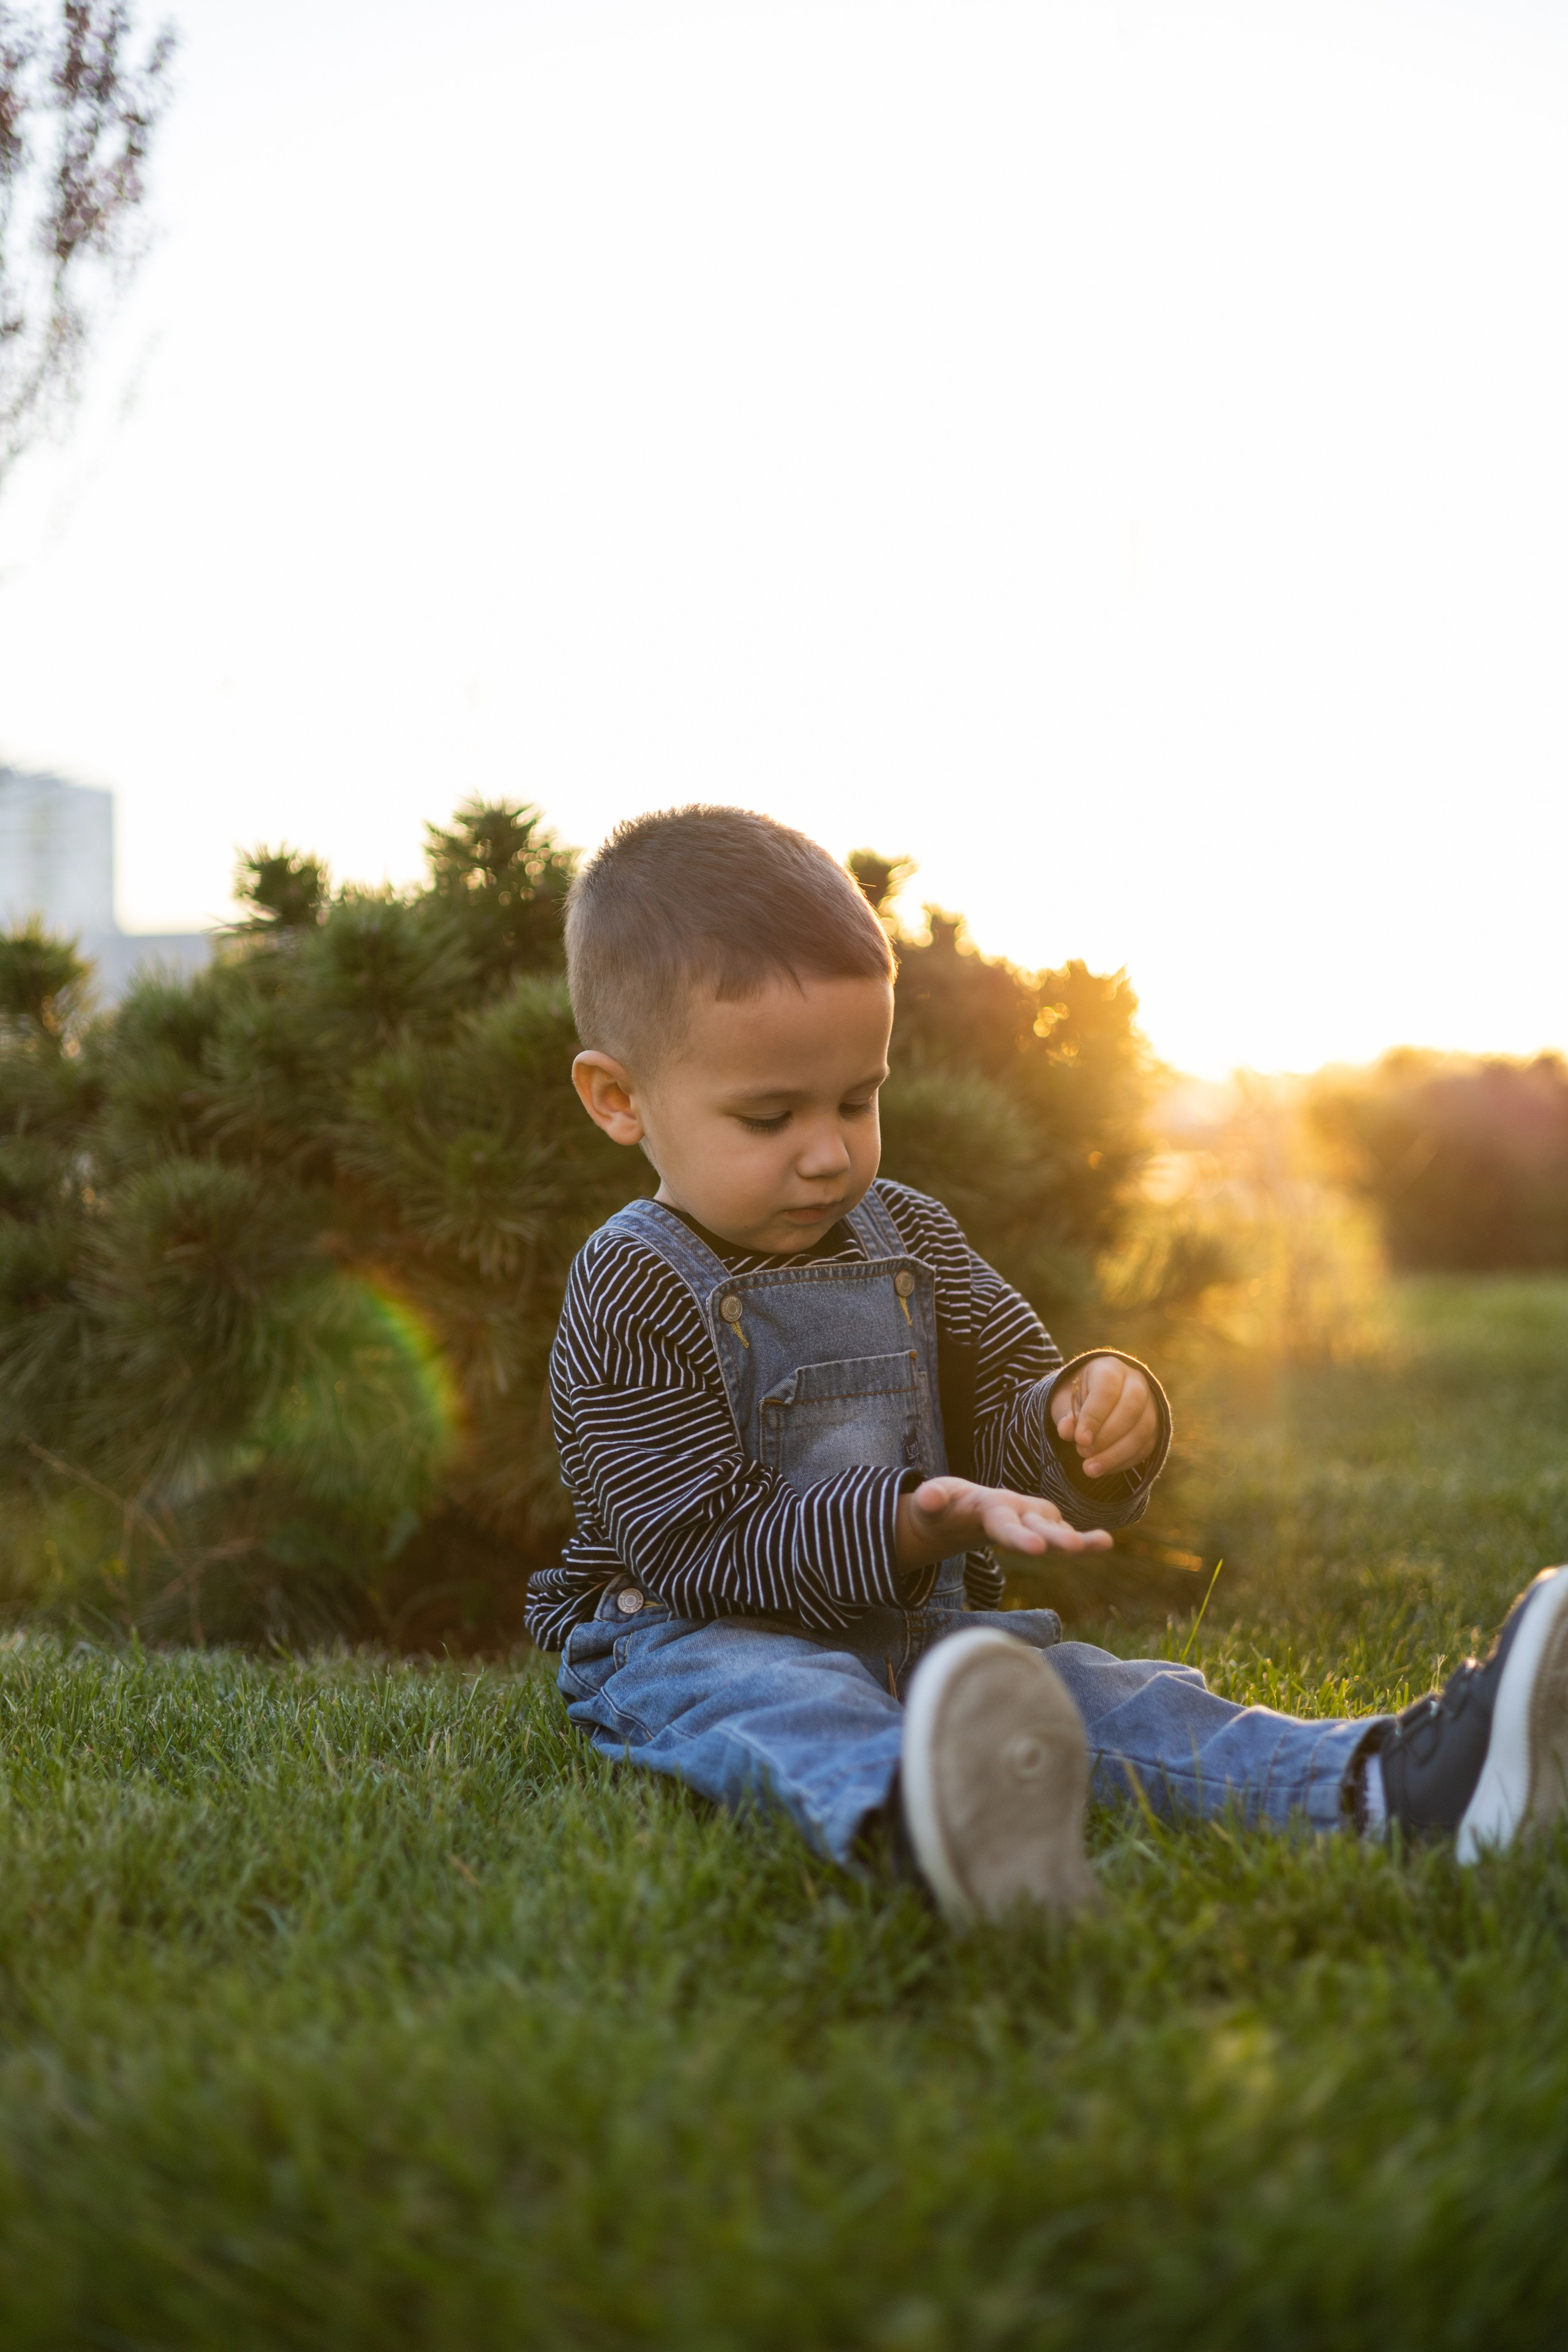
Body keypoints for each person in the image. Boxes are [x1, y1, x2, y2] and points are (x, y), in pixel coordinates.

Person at [526, 806, 1568, 1920]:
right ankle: (926, 1829)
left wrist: (1088, 1412)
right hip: (684, 1637)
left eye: (857, 1100)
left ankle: (1392, 1784)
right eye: (769, 1116)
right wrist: (908, 1523)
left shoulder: (912, 1240)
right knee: (783, 1698)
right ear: (620, 1099)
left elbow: (1010, 1429)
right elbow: (693, 1543)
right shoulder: (634, 1281)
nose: (829, 1152)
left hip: (925, 1641)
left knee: (1112, 1703)